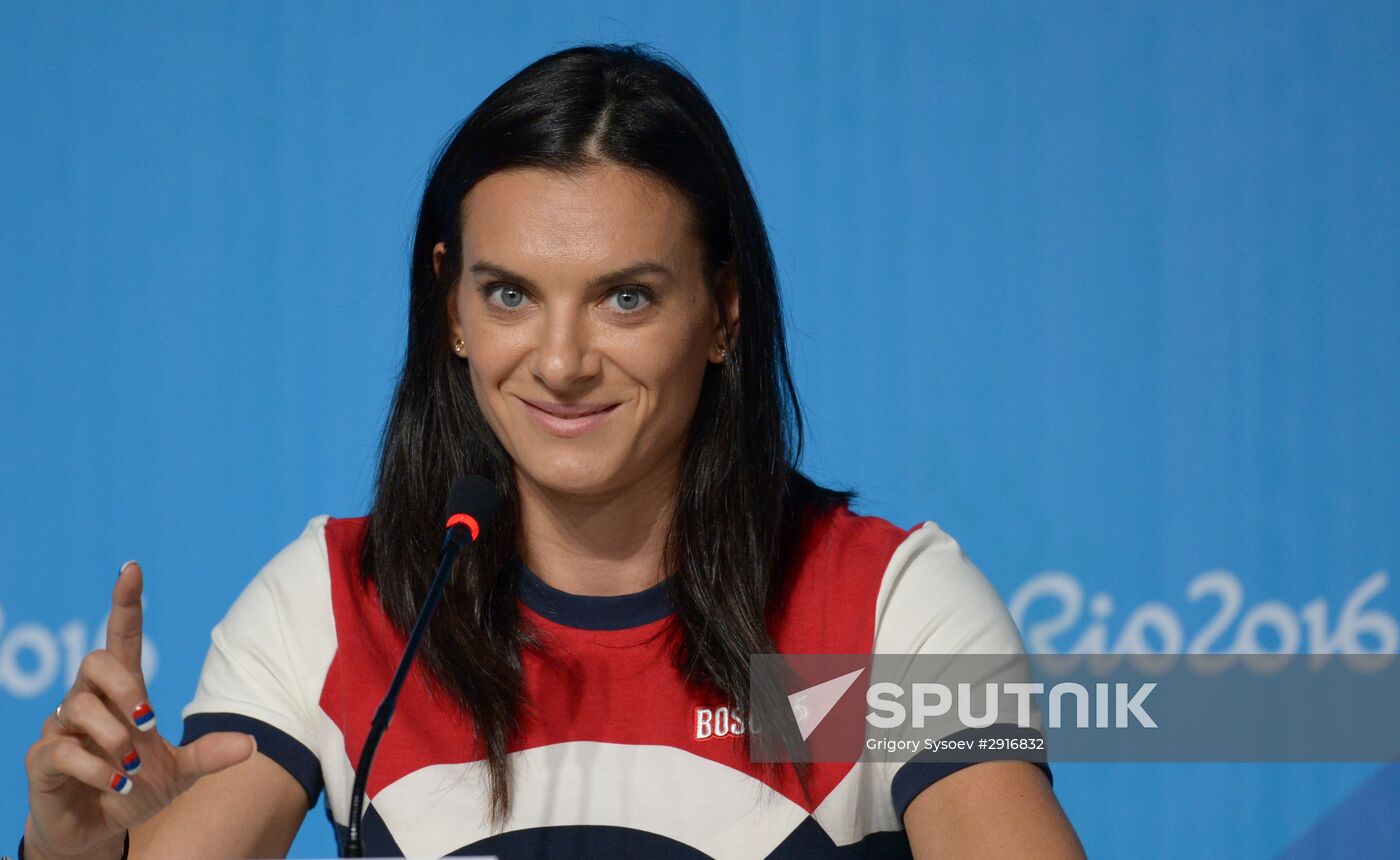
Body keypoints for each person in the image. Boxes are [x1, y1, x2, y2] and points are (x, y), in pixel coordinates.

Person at [22, 43, 1084, 859]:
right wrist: (74, 847)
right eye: (510, 295)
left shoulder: (883, 614)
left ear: (722, 310)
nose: (562, 361)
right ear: (450, 305)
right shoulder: (341, 603)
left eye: (626, 297)